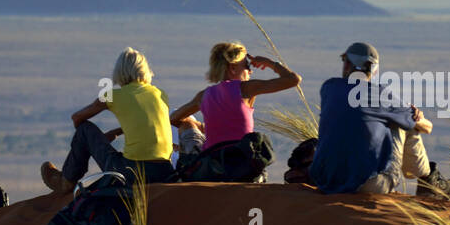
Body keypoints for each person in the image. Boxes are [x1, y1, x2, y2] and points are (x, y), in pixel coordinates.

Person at [309, 43, 450, 197]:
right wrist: (415, 116)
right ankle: (428, 180)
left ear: (347, 64)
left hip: (325, 181)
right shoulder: (380, 95)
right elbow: (427, 128)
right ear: (374, 69)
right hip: (368, 185)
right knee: (405, 124)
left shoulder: (329, 87)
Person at [40, 48, 175, 193]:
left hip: (131, 171)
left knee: (84, 129)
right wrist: (116, 132)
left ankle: (66, 181)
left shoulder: (111, 95)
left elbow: (77, 118)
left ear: (119, 72)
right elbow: (146, 123)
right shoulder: (160, 94)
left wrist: (96, 142)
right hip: (165, 170)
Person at [169, 41, 301, 167]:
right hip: (243, 162)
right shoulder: (246, 89)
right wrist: (270, 63)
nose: (251, 71)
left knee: (188, 122)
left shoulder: (203, 96)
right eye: (247, 66)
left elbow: (174, 118)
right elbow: (293, 80)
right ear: (232, 68)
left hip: (211, 163)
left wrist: (203, 127)